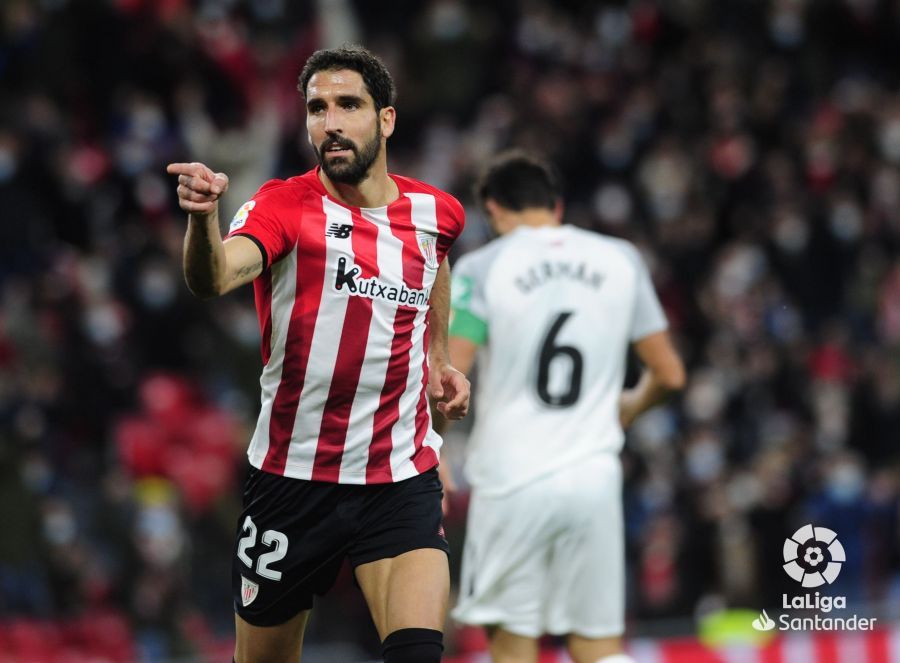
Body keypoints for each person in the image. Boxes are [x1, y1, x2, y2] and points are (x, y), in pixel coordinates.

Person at [167, 45, 470, 663]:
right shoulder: (283, 206)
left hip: (398, 477)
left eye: (348, 105)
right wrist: (203, 221)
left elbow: (436, 264)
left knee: (418, 654)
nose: (329, 122)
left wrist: (439, 357)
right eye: (316, 108)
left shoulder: (435, 213)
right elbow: (215, 276)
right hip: (292, 481)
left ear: (385, 119)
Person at [439, 151, 685, 663]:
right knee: (598, 649)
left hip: (513, 481)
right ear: (557, 206)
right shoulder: (621, 259)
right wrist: (627, 409)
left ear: (493, 210)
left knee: (513, 649)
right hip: (593, 478)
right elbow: (669, 374)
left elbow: (450, 373)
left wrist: (431, 445)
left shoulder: (485, 266)